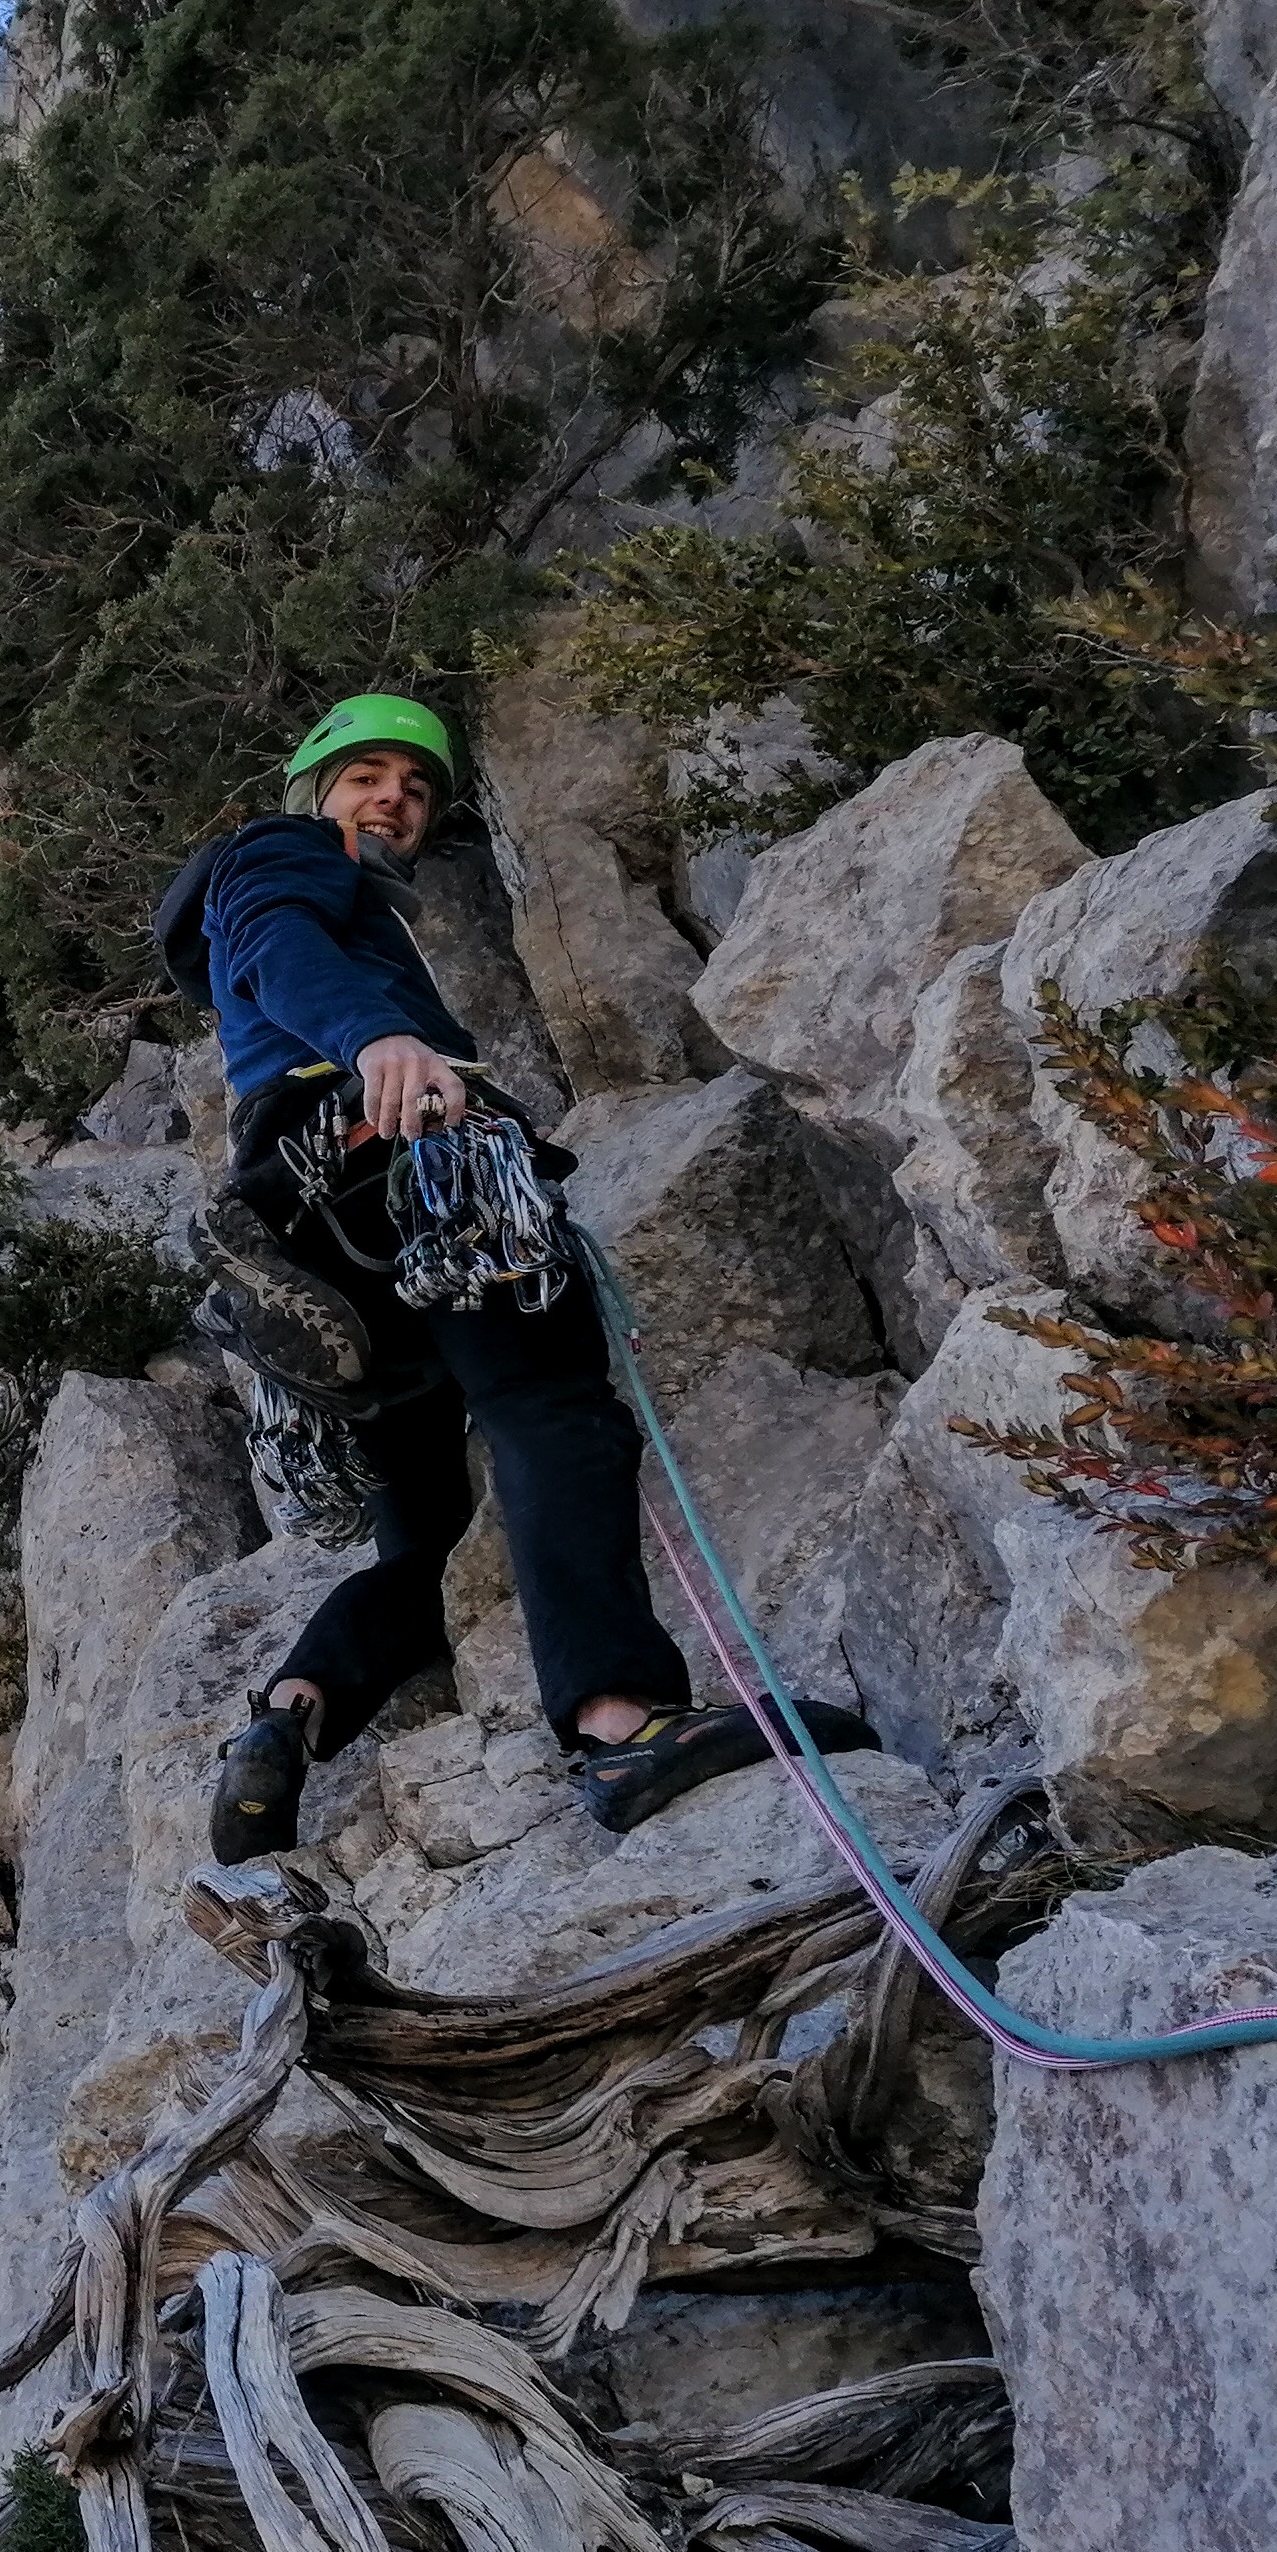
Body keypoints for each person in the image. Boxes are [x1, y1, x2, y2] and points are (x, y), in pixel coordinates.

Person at [157, 693, 873, 1860]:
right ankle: (622, 1721)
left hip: (309, 1218)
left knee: (426, 1539)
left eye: (415, 786)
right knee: (551, 1412)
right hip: (405, 1158)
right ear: (312, 791)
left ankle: (293, 1712)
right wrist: (376, 1038)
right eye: (365, 775)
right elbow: (277, 939)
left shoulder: (287, 886)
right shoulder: (280, 853)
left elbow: (265, 953)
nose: (393, 797)